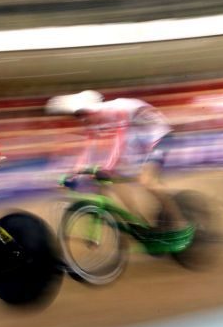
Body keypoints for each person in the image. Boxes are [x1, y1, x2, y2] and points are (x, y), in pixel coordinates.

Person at [46, 90, 186, 232]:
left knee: (148, 182)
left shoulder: (116, 110)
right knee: (113, 177)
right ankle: (138, 222)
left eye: (82, 113)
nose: (81, 119)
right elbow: (89, 148)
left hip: (158, 134)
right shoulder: (92, 118)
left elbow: (119, 141)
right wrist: (75, 173)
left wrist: (107, 168)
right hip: (139, 135)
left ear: (92, 108)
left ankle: (180, 221)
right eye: (77, 116)